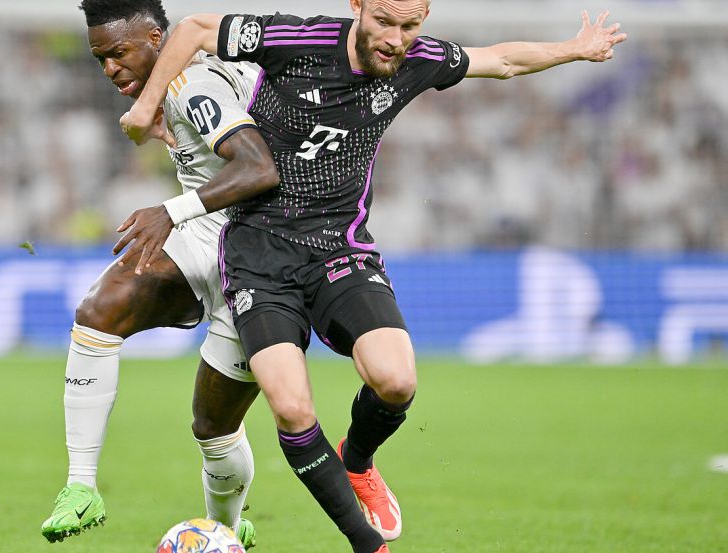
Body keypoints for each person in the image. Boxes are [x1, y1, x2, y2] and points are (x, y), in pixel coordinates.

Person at [120, 2, 626, 552]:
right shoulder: (297, 40)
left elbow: (501, 60)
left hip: (339, 249)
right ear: (357, 6)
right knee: (291, 408)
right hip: (257, 254)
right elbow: (194, 27)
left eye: (410, 26)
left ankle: (356, 460)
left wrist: (574, 50)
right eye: (385, 21)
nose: (396, 38)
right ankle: (370, 546)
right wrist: (148, 109)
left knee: (397, 381)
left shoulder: (418, 59)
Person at [40, 0, 282, 547]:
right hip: (208, 233)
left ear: (155, 39)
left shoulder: (191, 86)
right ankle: (80, 486)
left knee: (214, 427)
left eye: (118, 53)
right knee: (98, 310)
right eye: (100, 58)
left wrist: (169, 211)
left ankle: (225, 526)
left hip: (262, 252)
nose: (110, 69)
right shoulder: (184, 81)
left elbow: (258, 168)